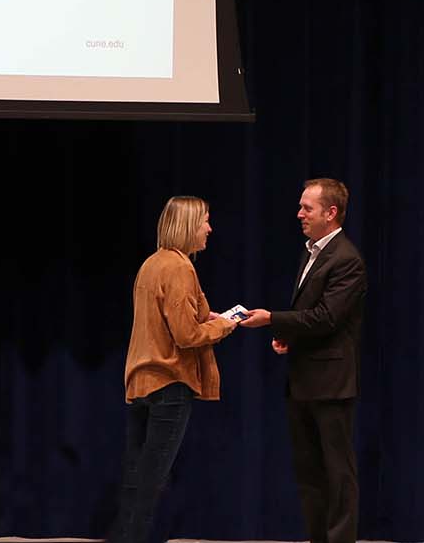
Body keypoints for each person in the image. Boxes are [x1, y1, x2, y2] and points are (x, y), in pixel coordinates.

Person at [238, 178, 367, 543]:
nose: (299, 214)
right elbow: (312, 318)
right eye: (300, 206)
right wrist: (289, 338)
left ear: (331, 213)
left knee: (337, 473)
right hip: (304, 380)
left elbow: (327, 317)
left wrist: (272, 320)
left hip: (332, 384)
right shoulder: (312, 253)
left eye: (306, 208)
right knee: (310, 472)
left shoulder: (347, 259)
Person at [108, 196, 238, 543]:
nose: (209, 229)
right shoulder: (180, 268)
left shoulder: (151, 264)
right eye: (205, 221)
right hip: (169, 383)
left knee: (137, 476)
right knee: (151, 479)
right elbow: (186, 335)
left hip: (140, 382)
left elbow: (165, 324)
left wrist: (202, 318)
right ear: (188, 225)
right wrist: (224, 325)